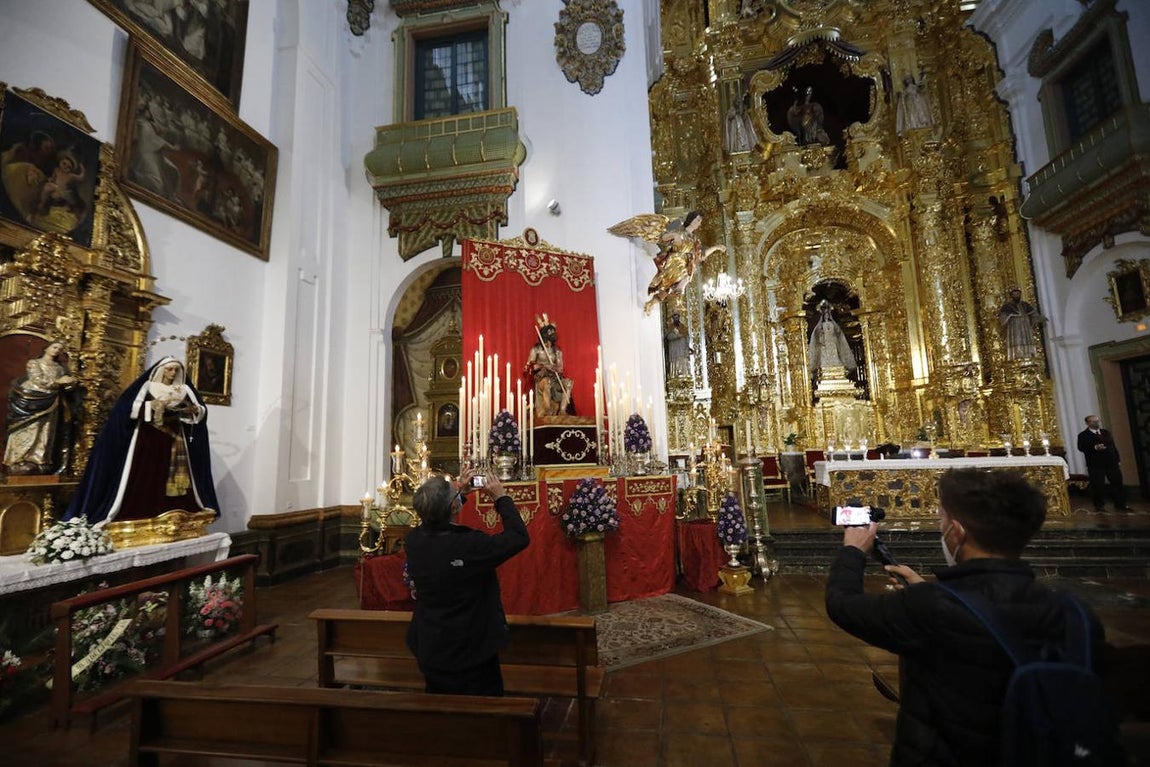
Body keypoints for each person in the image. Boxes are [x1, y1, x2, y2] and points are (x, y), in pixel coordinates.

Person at [826, 468, 1110, 765]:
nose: (941, 526)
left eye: (942, 519)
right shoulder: (1076, 613)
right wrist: (930, 592)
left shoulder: (930, 608)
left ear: (957, 532)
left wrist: (853, 551)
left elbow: (843, 605)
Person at [404, 472, 529, 695]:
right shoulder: (470, 544)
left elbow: (438, 519)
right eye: (456, 497)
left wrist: (458, 494)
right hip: (472, 647)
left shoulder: (414, 540)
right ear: (454, 507)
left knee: (441, 702)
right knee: (484, 707)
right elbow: (519, 537)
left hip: (431, 643)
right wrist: (501, 497)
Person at [64, 356, 220, 526]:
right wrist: (153, 405)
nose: (173, 373)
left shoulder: (184, 390)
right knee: (146, 473)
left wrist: (193, 410)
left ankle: (173, 511)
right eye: (169, 369)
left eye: (176, 369)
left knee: (171, 475)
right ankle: (142, 511)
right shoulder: (148, 386)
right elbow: (126, 409)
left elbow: (200, 412)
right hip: (148, 438)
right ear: (161, 370)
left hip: (175, 438)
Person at [3, 341, 80, 475]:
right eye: (54, 347)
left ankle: (39, 459)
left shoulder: (59, 368)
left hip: (52, 402)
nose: (56, 351)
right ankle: (18, 459)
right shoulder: (34, 363)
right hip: (32, 399)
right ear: (46, 348)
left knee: (45, 430)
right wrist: (58, 382)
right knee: (28, 428)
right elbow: (38, 380)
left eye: (60, 349)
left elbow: (63, 386)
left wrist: (69, 384)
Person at [1077, 414, 1131, 512]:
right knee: (1098, 485)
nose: (1096, 423)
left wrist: (1117, 459)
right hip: (1095, 464)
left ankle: (1120, 504)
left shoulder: (1106, 432)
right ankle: (1099, 506)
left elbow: (1113, 446)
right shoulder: (1083, 435)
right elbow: (1081, 447)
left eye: (1097, 421)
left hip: (1111, 462)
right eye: (1093, 422)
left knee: (1117, 483)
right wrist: (1095, 447)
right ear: (1087, 423)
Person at [525, 314, 573, 416]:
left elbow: (560, 368)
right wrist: (544, 367)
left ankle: (563, 410)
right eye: (549, 332)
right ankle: (547, 410)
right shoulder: (536, 350)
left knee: (568, 383)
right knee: (547, 382)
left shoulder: (557, 351)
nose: (551, 335)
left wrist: (550, 368)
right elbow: (531, 366)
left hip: (555, 378)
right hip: (542, 379)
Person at [807, 299, 856, 373]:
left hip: (832, 342)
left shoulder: (832, 324)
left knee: (835, 354)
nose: (826, 316)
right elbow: (817, 333)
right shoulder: (821, 325)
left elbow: (838, 332)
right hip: (824, 344)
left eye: (828, 315)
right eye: (825, 315)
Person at [997, 287, 1043, 360]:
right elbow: (1002, 317)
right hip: (1014, 326)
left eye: (1017, 294)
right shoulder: (1007, 306)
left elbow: (1033, 313)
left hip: (1025, 325)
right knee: (1017, 339)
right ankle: (1016, 355)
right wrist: (1009, 316)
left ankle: (1028, 354)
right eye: (1014, 294)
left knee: (1026, 339)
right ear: (1011, 296)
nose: (1016, 296)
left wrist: (1038, 318)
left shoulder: (1025, 304)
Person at [664, 312, 692, 378]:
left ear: (679, 318)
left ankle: (684, 374)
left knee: (683, 361)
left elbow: (687, 337)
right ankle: (674, 375)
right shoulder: (670, 327)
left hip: (682, 348)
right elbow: (668, 337)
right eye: (674, 317)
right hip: (674, 349)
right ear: (673, 319)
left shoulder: (683, 327)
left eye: (677, 317)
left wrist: (687, 346)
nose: (676, 319)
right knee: (675, 362)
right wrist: (677, 336)